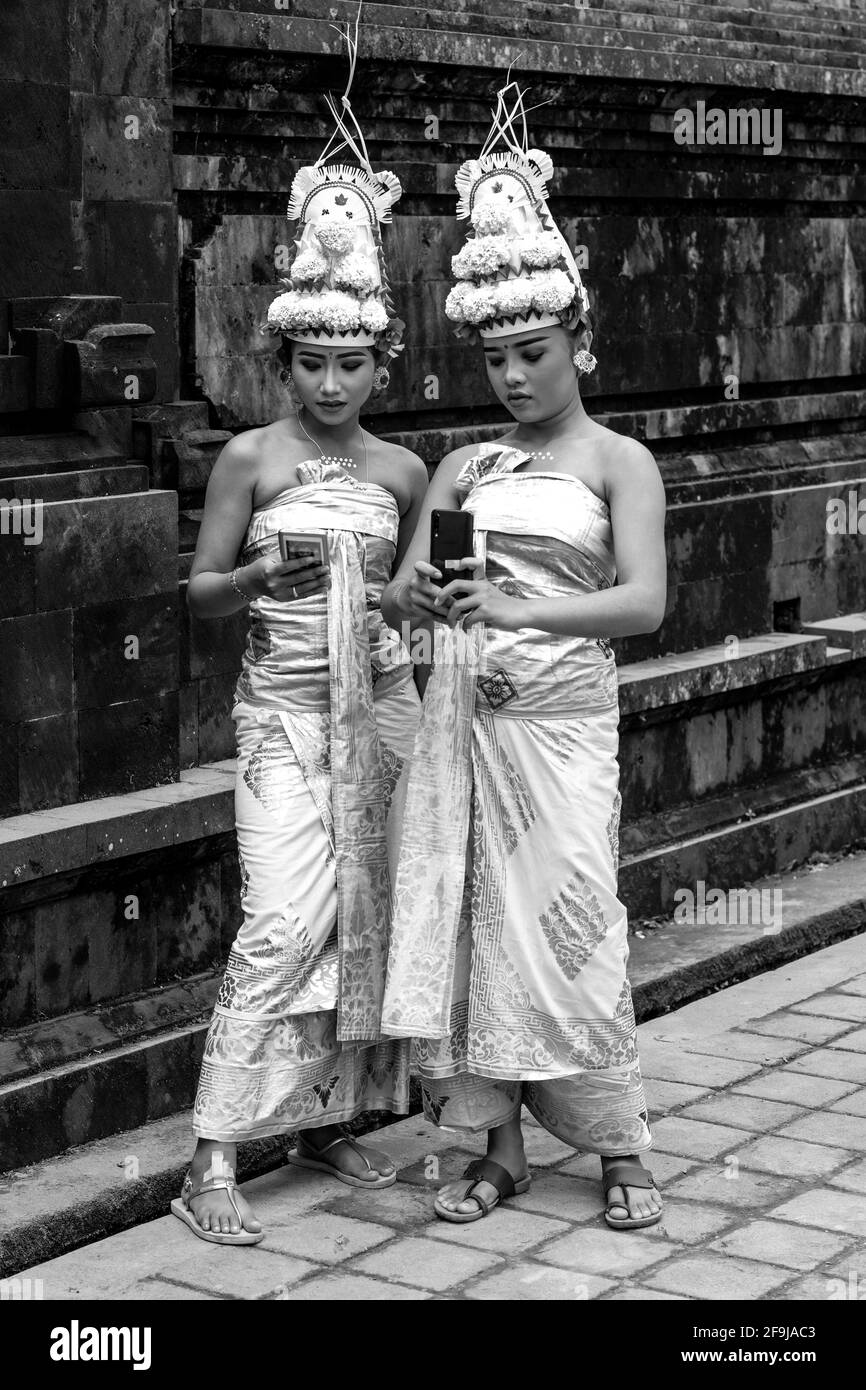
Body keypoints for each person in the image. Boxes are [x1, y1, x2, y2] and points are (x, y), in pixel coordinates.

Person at [379, 82, 667, 1229]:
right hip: (465, 726)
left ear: (580, 344)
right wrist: (424, 599)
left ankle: (616, 1147)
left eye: (533, 351)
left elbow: (642, 605)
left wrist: (518, 609)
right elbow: (410, 603)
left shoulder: (617, 462)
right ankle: (491, 1144)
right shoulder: (462, 470)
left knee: (572, 925)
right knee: (467, 932)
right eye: (496, 355)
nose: (512, 376)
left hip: (558, 728)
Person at [171, 57, 428, 1243]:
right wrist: (256, 577)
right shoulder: (248, 460)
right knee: (279, 919)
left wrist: (415, 612)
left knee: (363, 913)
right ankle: (213, 1154)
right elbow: (201, 596)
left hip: (374, 711)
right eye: (310, 365)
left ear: (382, 364)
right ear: (282, 364)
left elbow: (414, 603)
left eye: (351, 364)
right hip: (278, 718)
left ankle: (329, 1113)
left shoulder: (403, 474)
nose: (331, 384)